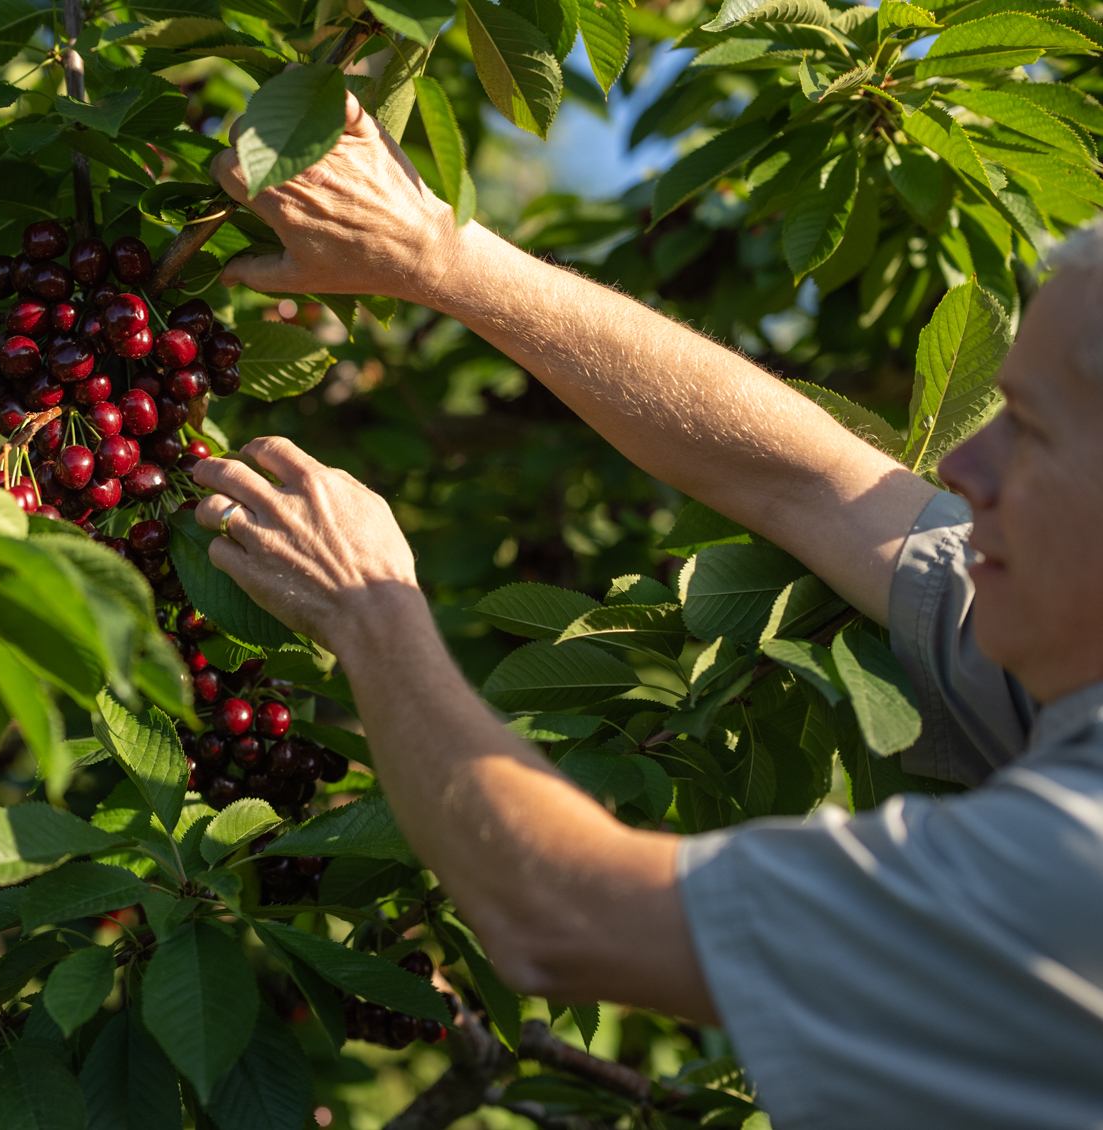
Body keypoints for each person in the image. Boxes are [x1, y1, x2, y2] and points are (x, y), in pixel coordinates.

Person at [189, 90, 1103, 1128]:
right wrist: (437, 253)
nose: (957, 462)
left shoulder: (1076, 866)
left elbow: (564, 914)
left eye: (1026, 428)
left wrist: (370, 609)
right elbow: (807, 479)